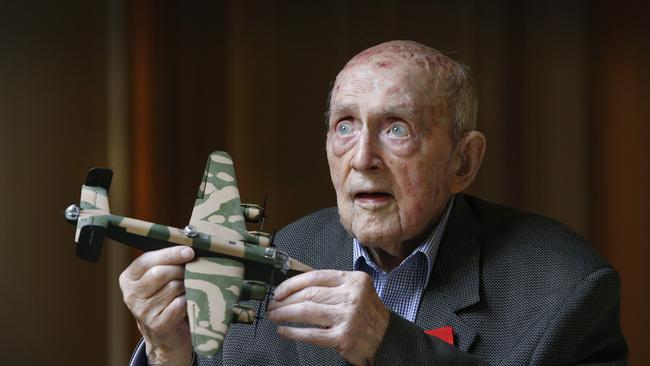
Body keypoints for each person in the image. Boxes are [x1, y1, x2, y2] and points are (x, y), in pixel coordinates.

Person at [121, 40, 627, 366]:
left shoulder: (564, 289)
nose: (362, 157)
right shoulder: (275, 255)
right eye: (345, 126)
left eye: (396, 129)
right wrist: (170, 352)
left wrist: (389, 345)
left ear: (463, 162)